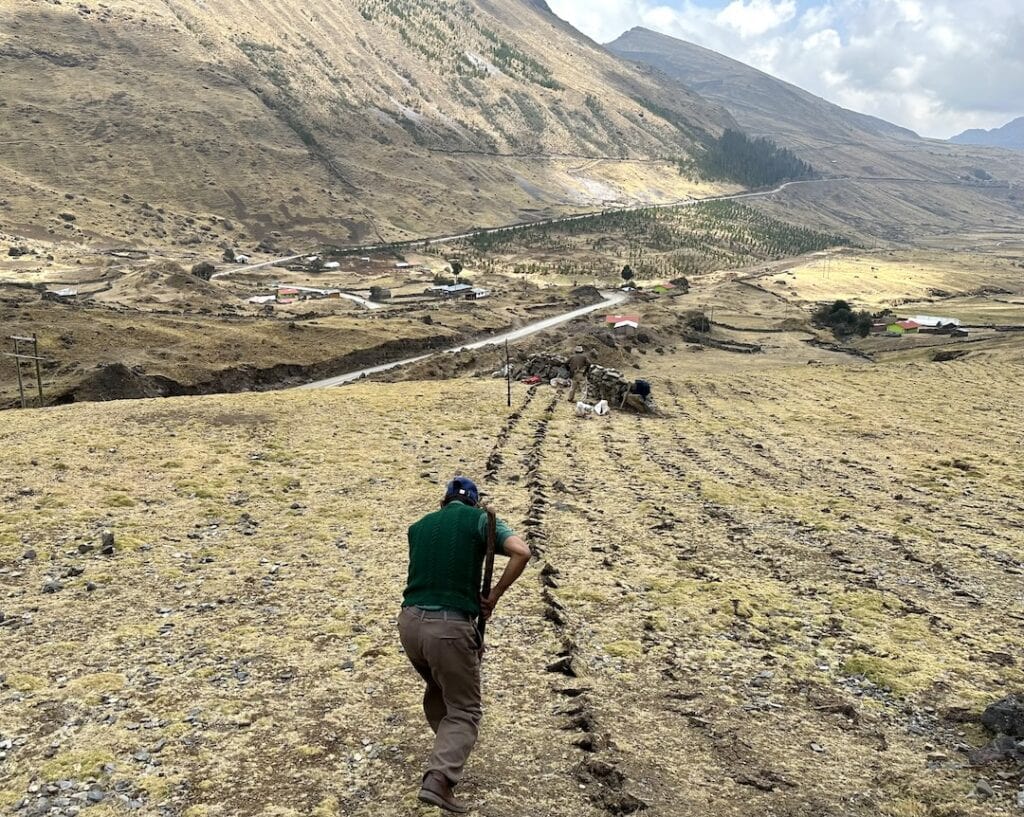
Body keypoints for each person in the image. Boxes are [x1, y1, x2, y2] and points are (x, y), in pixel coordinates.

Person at [399, 476, 531, 813]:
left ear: (443, 502)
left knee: (439, 686)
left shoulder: (419, 527)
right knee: (465, 709)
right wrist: (494, 595)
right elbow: (521, 551)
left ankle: (445, 749)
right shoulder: (480, 520)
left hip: (409, 623)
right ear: (473, 502)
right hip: (448, 627)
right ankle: (439, 780)